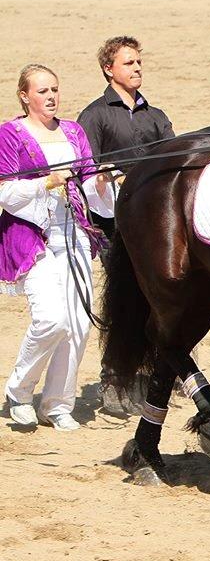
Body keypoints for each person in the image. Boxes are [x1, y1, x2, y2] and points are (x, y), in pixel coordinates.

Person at [1, 64, 118, 432]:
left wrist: (100, 181)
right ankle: (19, 392)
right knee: (52, 318)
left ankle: (57, 402)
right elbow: (5, 192)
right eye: (42, 91)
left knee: (79, 322)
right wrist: (45, 183)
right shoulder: (10, 134)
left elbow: (87, 183)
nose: (51, 97)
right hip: (31, 236)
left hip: (75, 233)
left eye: (54, 89)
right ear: (24, 95)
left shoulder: (72, 130)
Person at [78, 36, 174, 416]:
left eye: (138, 62)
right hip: (111, 225)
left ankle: (151, 374)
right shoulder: (96, 115)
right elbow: (85, 170)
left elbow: (171, 163)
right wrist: (105, 176)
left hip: (154, 224)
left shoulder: (156, 116)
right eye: (128, 63)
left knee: (158, 299)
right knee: (124, 298)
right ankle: (115, 379)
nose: (136, 68)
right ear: (109, 69)